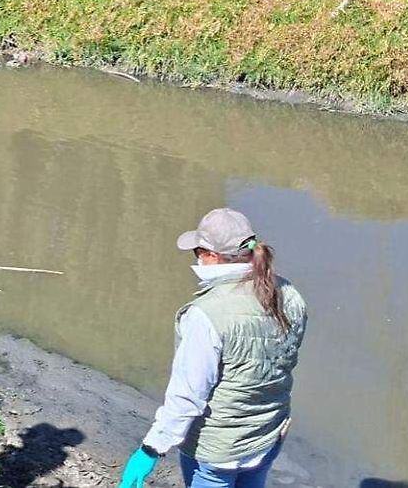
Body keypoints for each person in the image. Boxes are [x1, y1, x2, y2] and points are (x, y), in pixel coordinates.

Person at [119, 208, 307, 488]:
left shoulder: (205, 315)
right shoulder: (289, 294)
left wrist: (150, 450)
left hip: (217, 452)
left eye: (197, 251)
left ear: (212, 256)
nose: (196, 258)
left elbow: (188, 396)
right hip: (268, 437)